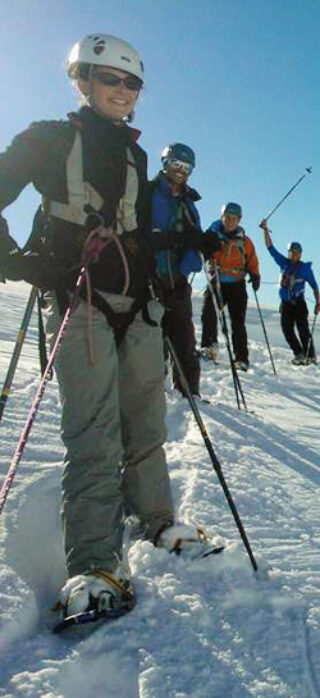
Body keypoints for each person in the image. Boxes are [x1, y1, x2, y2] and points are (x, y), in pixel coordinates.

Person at [0, 34, 216, 629]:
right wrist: (18, 261)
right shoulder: (46, 138)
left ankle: (158, 521)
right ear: (82, 80)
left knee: (145, 420)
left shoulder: (135, 155)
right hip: (79, 301)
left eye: (132, 83)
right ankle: (93, 564)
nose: (122, 91)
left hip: (137, 303)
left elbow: (140, 230)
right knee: (93, 432)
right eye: (110, 79)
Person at [151, 142, 219, 396]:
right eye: (176, 163)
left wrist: (205, 244)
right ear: (165, 163)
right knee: (152, 339)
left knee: (184, 338)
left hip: (178, 279)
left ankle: (189, 393)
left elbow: (193, 237)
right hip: (149, 277)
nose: (181, 170)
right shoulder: (148, 193)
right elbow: (144, 234)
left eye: (186, 166)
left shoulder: (189, 203)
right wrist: (179, 240)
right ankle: (152, 392)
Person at [200, 202, 259, 371]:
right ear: (222, 217)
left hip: (237, 285)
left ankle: (241, 358)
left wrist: (255, 275)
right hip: (217, 280)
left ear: (239, 220)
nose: (230, 221)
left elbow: (252, 259)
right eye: (227, 217)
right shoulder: (213, 235)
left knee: (237, 322)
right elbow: (205, 252)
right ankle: (209, 348)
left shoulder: (245, 241)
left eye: (234, 218)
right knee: (209, 313)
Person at [260, 219, 320, 365]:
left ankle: (310, 356)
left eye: (296, 252)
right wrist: (265, 230)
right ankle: (299, 353)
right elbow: (270, 248)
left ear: (300, 254)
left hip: (299, 303)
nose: (294, 254)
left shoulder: (305, 269)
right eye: (291, 252)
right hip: (286, 304)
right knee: (287, 330)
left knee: (303, 330)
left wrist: (318, 303)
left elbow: (314, 286)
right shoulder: (284, 263)